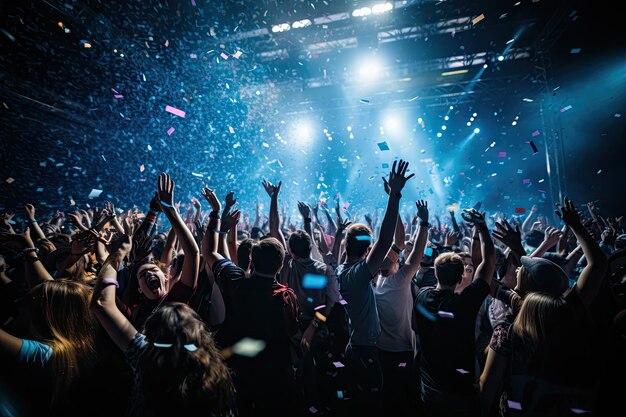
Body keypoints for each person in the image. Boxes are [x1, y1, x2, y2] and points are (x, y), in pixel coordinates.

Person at [480, 197, 609, 417]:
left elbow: (485, 388)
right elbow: (597, 264)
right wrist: (576, 226)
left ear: (527, 282)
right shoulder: (569, 309)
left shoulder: (507, 332)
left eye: (524, 268)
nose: (520, 266)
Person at [90, 233, 236, 417]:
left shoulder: (144, 354)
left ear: (166, 278)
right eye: (142, 275)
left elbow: (102, 303)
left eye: (153, 270)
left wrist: (118, 254)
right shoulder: (216, 377)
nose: (149, 274)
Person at [201, 186, 300, 417]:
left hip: (239, 373)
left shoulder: (235, 280)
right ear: (280, 266)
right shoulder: (286, 296)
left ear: (251, 260)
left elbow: (208, 252)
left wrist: (216, 214)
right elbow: (292, 329)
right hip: (276, 378)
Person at [337, 159, 414, 417]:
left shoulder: (341, 269)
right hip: (363, 352)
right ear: (368, 251)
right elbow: (386, 240)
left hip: (359, 348)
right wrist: (394, 195)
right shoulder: (357, 275)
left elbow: (384, 243)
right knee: (370, 407)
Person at [0, 228, 98, 416]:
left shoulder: (44, 354)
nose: (22, 299)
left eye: (32, 299)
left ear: (45, 314)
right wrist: (28, 247)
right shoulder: (62, 346)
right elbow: (49, 291)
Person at [414, 208, 495, 417]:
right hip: (460, 390)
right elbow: (488, 261)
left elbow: (415, 327)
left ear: (434, 273)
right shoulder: (466, 303)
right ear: (460, 279)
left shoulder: (422, 296)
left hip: (429, 386)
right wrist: (482, 226)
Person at [374, 199, 429, 416]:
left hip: (380, 350)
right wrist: (424, 223)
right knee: (408, 397)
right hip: (402, 352)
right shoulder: (400, 279)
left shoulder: (373, 281)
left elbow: (400, 241)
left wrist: (393, 200)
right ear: (395, 263)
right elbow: (416, 250)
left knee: (388, 396)